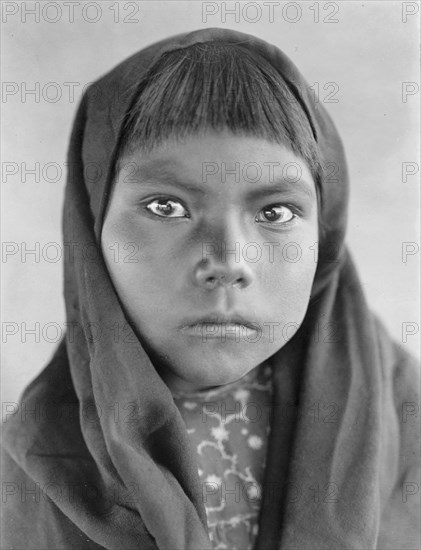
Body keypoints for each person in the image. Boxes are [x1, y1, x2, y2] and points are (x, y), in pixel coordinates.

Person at [1, 28, 419, 550]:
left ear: (325, 239)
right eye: (166, 207)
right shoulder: (33, 465)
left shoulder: (401, 412)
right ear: (91, 231)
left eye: (276, 212)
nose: (228, 263)